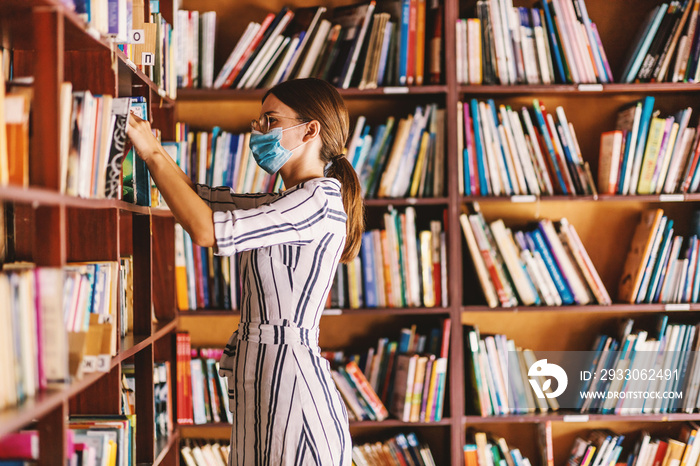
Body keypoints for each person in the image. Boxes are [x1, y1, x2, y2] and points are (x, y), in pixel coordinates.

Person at [126, 78, 363, 465]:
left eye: (270, 120)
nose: (259, 132)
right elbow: (196, 197)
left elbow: (206, 230)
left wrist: (151, 150)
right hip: (265, 377)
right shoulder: (284, 200)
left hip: (291, 388)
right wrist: (144, 137)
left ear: (310, 129)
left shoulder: (318, 200)